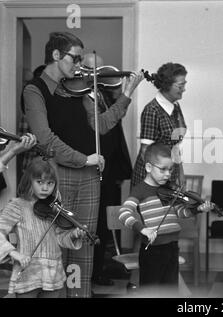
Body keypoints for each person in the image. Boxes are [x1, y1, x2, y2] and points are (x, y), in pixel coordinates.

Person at [22, 32, 144, 297]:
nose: (79, 66)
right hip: (57, 174)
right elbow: (45, 139)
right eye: (75, 58)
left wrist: (126, 94)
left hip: (88, 176)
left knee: (83, 244)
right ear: (56, 55)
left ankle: (79, 295)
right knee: (55, 245)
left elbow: (102, 125)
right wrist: (82, 159)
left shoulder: (79, 89)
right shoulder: (35, 90)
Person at [119, 143, 212, 295]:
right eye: (162, 169)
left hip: (172, 247)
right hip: (152, 251)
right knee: (151, 293)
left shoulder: (169, 190)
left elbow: (181, 212)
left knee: (170, 291)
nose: (168, 174)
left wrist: (197, 209)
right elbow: (124, 213)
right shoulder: (140, 190)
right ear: (148, 167)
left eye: (170, 169)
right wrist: (142, 228)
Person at [81, 53, 133, 286]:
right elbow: (102, 127)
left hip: (110, 169)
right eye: (90, 69)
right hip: (93, 169)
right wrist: (127, 95)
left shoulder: (103, 94)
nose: (97, 75)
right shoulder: (82, 98)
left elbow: (115, 126)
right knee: (95, 221)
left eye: (99, 70)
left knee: (105, 220)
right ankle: (92, 271)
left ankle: (101, 267)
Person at [0, 157, 86, 298]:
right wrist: (15, 254)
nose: (45, 188)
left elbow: (58, 237)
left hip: (52, 274)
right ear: (29, 181)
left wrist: (73, 235)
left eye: (50, 183)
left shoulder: (53, 208)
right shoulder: (17, 206)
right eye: (39, 182)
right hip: (28, 274)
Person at [131, 62, 188, 188]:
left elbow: (175, 145)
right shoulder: (152, 110)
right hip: (152, 180)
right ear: (167, 86)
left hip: (167, 174)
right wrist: (161, 181)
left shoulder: (176, 106)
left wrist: (180, 173)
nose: (184, 89)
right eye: (180, 86)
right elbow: (145, 152)